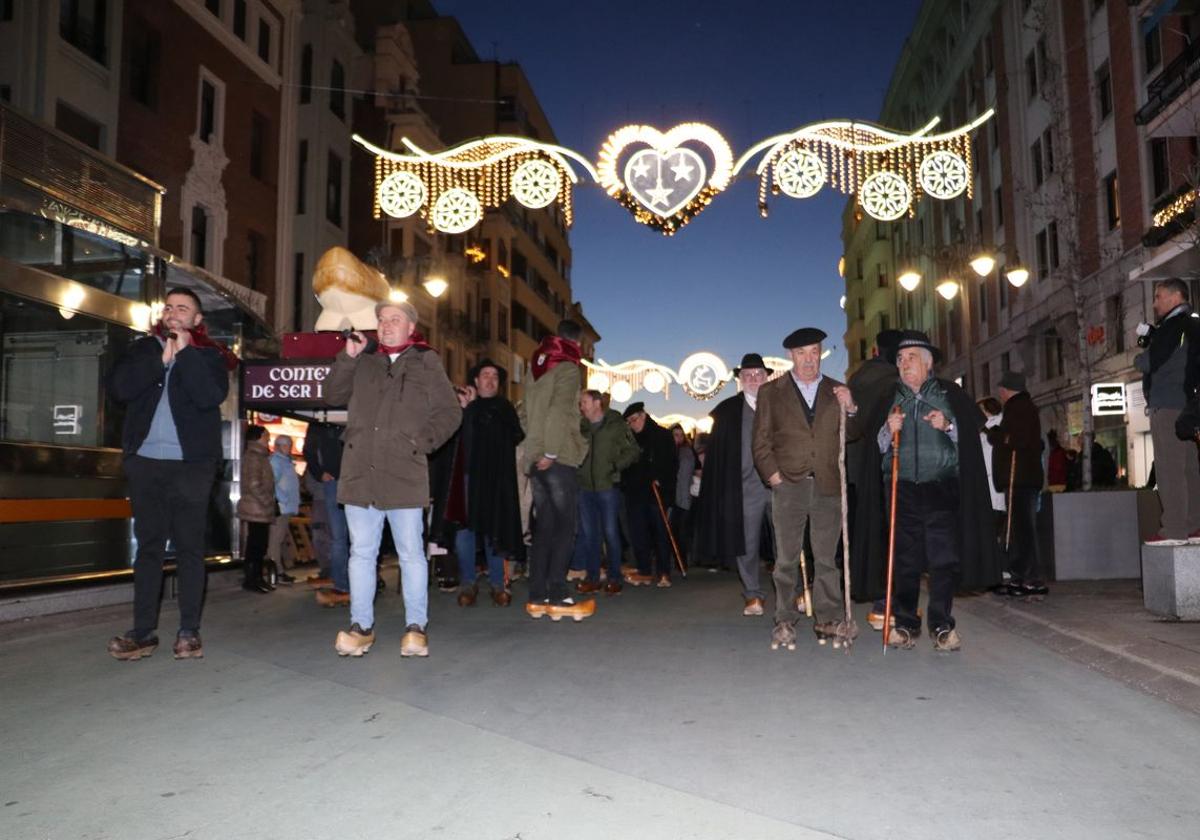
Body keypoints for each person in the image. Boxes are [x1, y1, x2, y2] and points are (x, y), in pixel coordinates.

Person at [323, 300, 461, 657]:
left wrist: (421, 443)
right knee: (361, 554)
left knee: (412, 554)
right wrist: (347, 357)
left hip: (404, 472)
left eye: (394, 319)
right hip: (360, 471)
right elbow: (332, 395)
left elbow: (449, 411)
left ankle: (416, 627)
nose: (385, 325)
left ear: (411, 327)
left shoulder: (425, 360)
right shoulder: (364, 360)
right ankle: (361, 626)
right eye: (381, 320)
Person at [105, 287, 233, 661]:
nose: (175, 312)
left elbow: (209, 396)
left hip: (191, 466)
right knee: (148, 549)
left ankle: (189, 632)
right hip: (145, 463)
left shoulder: (210, 358)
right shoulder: (144, 350)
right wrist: (160, 360)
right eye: (170, 307)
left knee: (190, 549)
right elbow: (119, 389)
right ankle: (142, 633)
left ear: (197, 320)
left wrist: (185, 353)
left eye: (184, 308)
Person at [858, 331, 1001, 651]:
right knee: (905, 560)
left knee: (943, 559)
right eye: (899, 359)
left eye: (910, 358)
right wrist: (886, 430)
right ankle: (906, 624)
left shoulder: (950, 395)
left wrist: (948, 426)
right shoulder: (889, 398)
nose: (904, 364)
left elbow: (970, 444)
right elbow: (875, 448)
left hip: (941, 488)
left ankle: (941, 625)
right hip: (901, 488)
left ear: (928, 362)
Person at [752, 328, 859, 650]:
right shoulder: (772, 392)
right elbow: (760, 441)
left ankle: (827, 618)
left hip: (828, 484)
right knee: (785, 558)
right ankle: (784, 620)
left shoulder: (837, 389)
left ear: (821, 353)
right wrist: (772, 475)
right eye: (802, 353)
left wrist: (851, 408)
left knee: (826, 558)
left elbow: (853, 435)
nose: (809, 359)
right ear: (790, 356)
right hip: (789, 485)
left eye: (814, 352)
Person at [519, 319, 596, 620]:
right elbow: (561, 411)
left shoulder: (534, 366)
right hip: (557, 456)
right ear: (575, 344)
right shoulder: (568, 368)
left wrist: (535, 445)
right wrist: (550, 450)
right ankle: (558, 592)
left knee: (545, 527)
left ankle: (538, 595)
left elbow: (524, 411)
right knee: (566, 527)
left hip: (536, 455)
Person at [693, 353, 773, 615]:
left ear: (766, 377)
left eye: (758, 375)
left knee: (787, 543)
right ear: (740, 380)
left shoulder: (780, 405)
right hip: (746, 488)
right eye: (747, 375)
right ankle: (752, 594)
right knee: (746, 544)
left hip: (780, 484)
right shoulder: (728, 412)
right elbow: (718, 456)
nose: (753, 379)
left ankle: (792, 592)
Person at [446, 359, 525, 608]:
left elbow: (514, 436)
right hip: (468, 478)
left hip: (496, 480)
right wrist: (468, 409)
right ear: (476, 381)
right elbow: (458, 439)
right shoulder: (464, 407)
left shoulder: (505, 408)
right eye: (485, 375)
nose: (490, 379)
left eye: (495, 376)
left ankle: (498, 584)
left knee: (495, 531)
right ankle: (468, 583)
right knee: (465, 531)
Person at [1135, 278, 1200, 544]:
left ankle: (1173, 529)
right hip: (1187, 405)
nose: (1155, 303)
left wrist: (1143, 350)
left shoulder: (1173, 326)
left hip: (1168, 405)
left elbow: (1149, 362)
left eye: (1158, 296)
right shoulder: (1194, 324)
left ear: (1175, 297)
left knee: (1169, 469)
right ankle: (1194, 525)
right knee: (1189, 469)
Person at [848, 330, 902, 629]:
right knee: (889, 531)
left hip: (857, 464)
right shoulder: (894, 382)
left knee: (867, 531)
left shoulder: (858, 378)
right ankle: (886, 597)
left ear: (874, 351)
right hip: (884, 462)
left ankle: (871, 589)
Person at [987, 372, 1047, 598]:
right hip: (1024, 477)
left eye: (1001, 389)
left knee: (1018, 529)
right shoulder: (1025, 407)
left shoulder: (1017, 408)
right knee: (1025, 529)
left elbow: (1016, 440)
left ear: (1006, 389)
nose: (999, 393)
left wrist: (996, 436)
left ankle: (1023, 576)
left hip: (1017, 477)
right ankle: (1028, 576)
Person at [576, 389, 640, 594]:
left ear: (596, 403)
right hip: (585, 488)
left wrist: (614, 467)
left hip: (607, 487)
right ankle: (593, 578)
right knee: (589, 535)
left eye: (584, 402)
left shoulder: (616, 425)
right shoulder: (582, 427)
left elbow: (633, 450)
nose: (581, 406)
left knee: (611, 533)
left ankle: (615, 578)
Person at [621, 402, 679, 587]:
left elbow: (671, 463)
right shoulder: (630, 439)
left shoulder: (662, 435)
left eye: (634, 419)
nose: (632, 424)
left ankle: (664, 572)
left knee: (660, 533)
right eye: (629, 421)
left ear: (643, 416)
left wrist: (661, 478)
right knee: (638, 533)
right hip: (635, 493)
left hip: (656, 493)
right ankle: (644, 570)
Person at [305, 421, 350, 607]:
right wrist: (319, 472)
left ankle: (352, 584)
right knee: (339, 536)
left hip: (354, 479)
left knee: (353, 537)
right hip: (335, 480)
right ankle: (342, 584)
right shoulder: (320, 419)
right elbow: (309, 448)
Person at [236, 425, 276, 594]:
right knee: (256, 545)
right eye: (266, 436)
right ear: (259, 436)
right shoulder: (254, 456)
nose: (268, 439)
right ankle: (252, 579)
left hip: (258, 508)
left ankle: (256, 578)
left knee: (259, 545)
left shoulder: (259, 455)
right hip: (256, 508)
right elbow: (254, 484)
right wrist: (268, 501)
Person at [268, 434, 300, 584]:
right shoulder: (277, 461)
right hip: (281, 507)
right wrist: (284, 498)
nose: (289, 447)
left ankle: (277, 570)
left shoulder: (285, 461)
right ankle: (276, 572)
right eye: (286, 445)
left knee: (278, 539)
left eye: (289, 444)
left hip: (286, 507)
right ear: (278, 446)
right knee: (276, 540)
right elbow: (271, 483)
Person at [669, 424, 697, 566]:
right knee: (675, 530)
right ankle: (679, 560)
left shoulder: (686, 453)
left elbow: (685, 478)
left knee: (680, 531)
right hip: (675, 497)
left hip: (683, 497)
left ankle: (682, 561)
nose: (678, 438)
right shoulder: (672, 452)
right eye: (675, 435)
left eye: (680, 435)